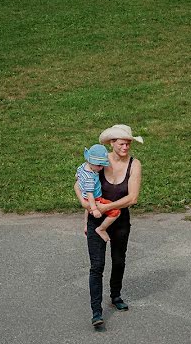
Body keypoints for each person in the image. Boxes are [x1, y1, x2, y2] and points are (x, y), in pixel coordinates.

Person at [75, 124, 144, 329]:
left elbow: (132, 198)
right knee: (97, 266)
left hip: (119, 220)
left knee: (119, 261)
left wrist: (107, 208)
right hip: (95, 219)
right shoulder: (100, 161)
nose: (126, 147)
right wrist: (84, 208)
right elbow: (80, 183)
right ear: (112, 143)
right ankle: (96, 312)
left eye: (128, 143)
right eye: (122, 143)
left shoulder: (134, 164)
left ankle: (115, 295)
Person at [75, 144, 121, 243]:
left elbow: (77, 175)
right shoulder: (90, 178)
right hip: (95, 199)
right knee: (116, 212)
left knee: (87, 210)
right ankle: (101, 228)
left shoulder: (83, 167)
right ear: (90, 162)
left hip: (85, 196)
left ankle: (86, 225)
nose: (101, 168)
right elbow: (90, 194)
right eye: (99, 165)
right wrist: (95, 209)